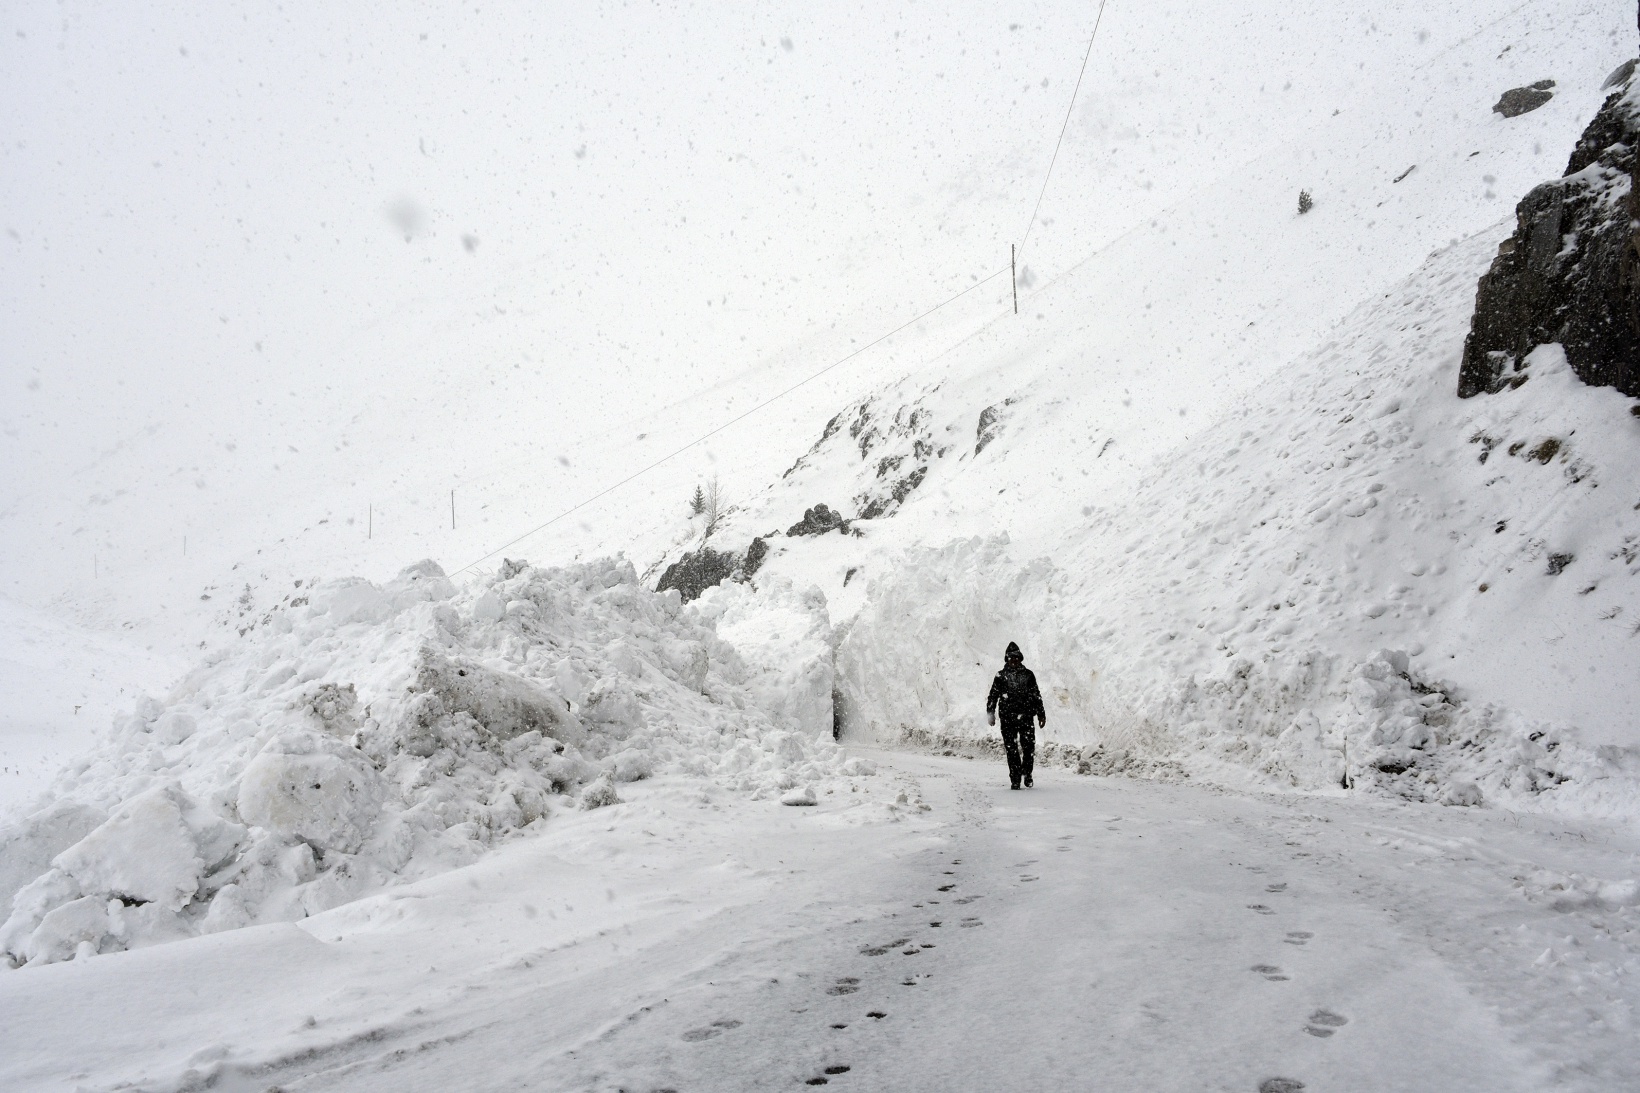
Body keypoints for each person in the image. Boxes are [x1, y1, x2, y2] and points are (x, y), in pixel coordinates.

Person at [986, 642, 1046, 790]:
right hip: (1007, 718)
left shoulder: (1028, 675)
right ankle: (1015, 778)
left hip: (1026, 716)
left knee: (1028, 747)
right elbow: (993, 696)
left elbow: (1036, 695)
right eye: (1011, 658)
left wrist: (1041, 714)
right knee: (1011, 749)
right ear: (1007, 659)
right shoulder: (1000, 676)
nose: (1014, 660)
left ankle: (1027, 773)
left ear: (1020, 658)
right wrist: (990, 713)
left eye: (1017, 658)